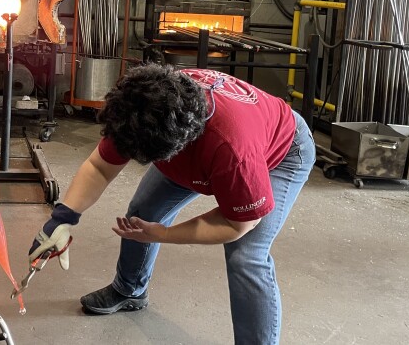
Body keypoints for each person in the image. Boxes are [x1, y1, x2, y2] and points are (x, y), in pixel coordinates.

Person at [30, 64, 315, 345]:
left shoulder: (233, 151)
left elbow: (238, 224)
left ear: (177, 148)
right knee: (143, 213)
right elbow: (99, 168)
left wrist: (163, 234)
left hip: (283, 152)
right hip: (199, 144)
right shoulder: (142, 104)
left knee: (246, 256)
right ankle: (130, 290)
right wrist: (62, 218)